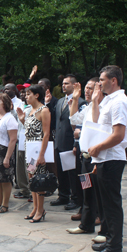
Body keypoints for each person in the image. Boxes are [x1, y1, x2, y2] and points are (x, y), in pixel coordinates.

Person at [88, 65, 127, 252]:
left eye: (102, 79)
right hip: (104, 158)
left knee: (112, 204)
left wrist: (98, 148)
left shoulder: (120, 102)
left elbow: (119, 135)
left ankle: (115, 248)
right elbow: (98, 123)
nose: (99, 83)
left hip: (112, 157)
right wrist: (96, 101)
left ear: (113, 80)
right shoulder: (108, 101)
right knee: (106, 204)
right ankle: (110, 239)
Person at [66, 77, 102, 235]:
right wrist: (75, 98)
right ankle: (86, 224)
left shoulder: (102, 108)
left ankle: (100, 219)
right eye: (86, 88)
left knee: (98, 193)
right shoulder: (87, 108)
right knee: (86, 190)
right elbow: (73, 121)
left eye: (91, 88)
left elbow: (98, 131)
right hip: (85, 158)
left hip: (97, 159)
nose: (87, 91)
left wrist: (81, 133)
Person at [50, 75, 86, 210]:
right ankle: (63, 195)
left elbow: (78, 125)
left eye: (66, 83)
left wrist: (76, 143)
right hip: (59, 142)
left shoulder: (81, 103)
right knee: (61, 171)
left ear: (75, 85)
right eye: (62, 84)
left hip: (71, 143)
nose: (63, 86)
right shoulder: (59, 102)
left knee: (73, 173)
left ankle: (75, 198)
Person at [17, 84, 51, 223]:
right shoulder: (30, 110)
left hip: (38, 150)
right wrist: (22, 120)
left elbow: (46, 133)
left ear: (37, 95)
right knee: (32, 179)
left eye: (29, 93)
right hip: (29, 149)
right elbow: (30, 129)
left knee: (39, 180)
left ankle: (40, 209)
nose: (26, 96)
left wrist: (42, 154)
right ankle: (35, 208)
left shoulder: (44, 110)